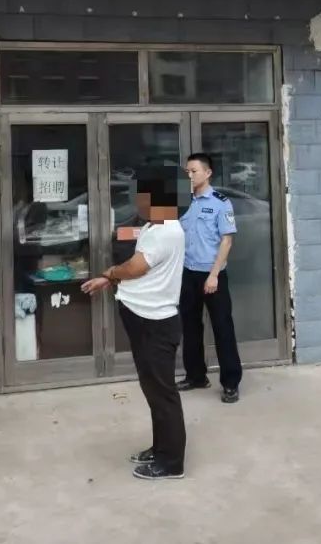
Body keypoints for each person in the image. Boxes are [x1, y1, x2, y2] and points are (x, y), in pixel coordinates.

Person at [81, 179, 186, 480]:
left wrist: (110, 272)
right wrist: (110, 280)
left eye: (142, 197)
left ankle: (171, 463)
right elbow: (139, 266)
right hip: (144, 318)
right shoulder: (155, 226)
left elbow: (137, 267)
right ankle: (160, 448)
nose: (137, 203)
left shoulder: (166, 231)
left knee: (162, 393)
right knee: (153, 390)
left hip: (155, 322)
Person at [178, 153, 243, 404]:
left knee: (222, 328)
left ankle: (230, 383)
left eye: (194, 171)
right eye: (187, 172)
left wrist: (214, 275)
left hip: (212, 274)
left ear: (207, 173)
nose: (189, 175)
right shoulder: (183, 202)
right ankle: (196, 376)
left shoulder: (220, 203)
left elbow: (227, 241)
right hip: (188, 272)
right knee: (190, 327)